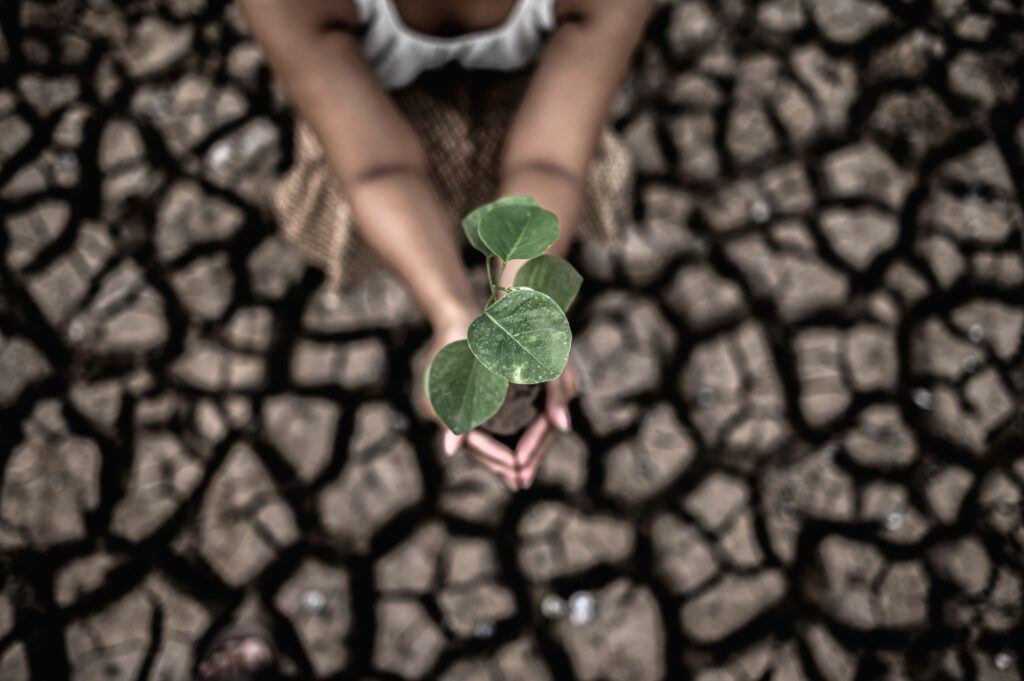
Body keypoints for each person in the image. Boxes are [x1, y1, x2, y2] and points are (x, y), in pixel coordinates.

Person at [236, 0, 655, 493]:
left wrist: (520, 309)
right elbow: (375, 169)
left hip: (532, 97)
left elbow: (551, 162)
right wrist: (450, 312)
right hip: (376, 110)